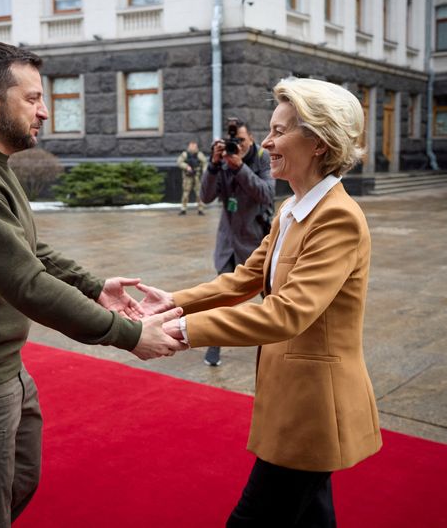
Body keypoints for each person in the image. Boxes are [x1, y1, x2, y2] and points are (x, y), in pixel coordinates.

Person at [0, 42, 186, 528]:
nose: (45, 111)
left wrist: (94, 285)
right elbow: (28, 284)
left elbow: (28, 250)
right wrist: (130, 335)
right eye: (33, 98)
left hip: (1, 369)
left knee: (17, 485)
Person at [138, 77, 381, 526]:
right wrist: (172, 302)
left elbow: (287, 313)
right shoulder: (295, 207)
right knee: (311, 517)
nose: (266, 141)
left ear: (321, 144)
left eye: (281, 131)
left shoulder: (338, 218)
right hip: (294, 398)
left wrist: (183, 331)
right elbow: (246, 277)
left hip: (313, 408)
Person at [200, 119, 274, 366]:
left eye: (241, 141)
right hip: (228, 240)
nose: (237, 146)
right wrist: (213, 166)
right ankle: (214, 345)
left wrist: (240, 167)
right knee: (221, 294)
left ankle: (279, 341)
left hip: (255, 239)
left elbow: (266, 193)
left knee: (269, 295)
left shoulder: (263, 158)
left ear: (251, 139)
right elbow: (206, 196)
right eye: (234, 141)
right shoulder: (222, 161)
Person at [177, 140, 208, 215]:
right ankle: (183, 209)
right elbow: (179, 162)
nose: (193, 148)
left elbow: (205, 162)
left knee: (199, 193)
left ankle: (200, 209)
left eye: (194, 146)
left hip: (197, 175)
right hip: (188, 176)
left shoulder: (199, 154)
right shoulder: (185, 154)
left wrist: (204, 172)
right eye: (191, 146)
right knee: (186, 193)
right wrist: (186, 167)